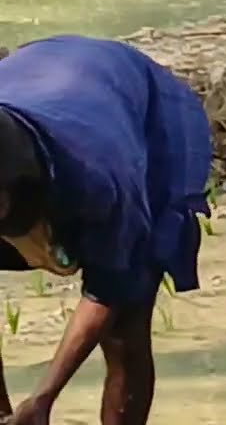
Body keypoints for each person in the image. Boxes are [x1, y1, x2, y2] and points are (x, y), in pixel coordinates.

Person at [0, 35, 212, 425]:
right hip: (34, 78)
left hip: (133, 105)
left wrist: (43, 398)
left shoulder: (99, 183)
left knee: (125, 328)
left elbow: (107, 291)